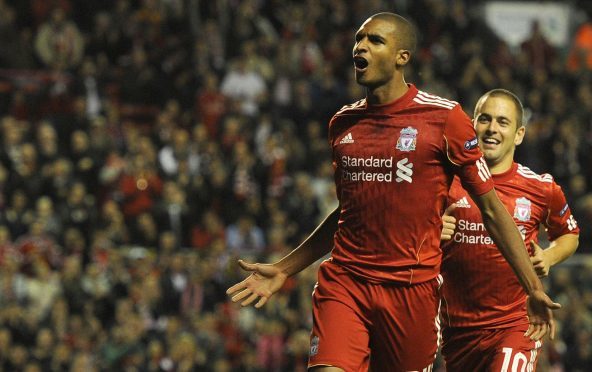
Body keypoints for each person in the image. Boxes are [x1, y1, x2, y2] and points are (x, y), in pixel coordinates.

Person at [227, 12, 559, 371]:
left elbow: (493, 211)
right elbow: (347, 212)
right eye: (359, 39)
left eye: (375, 40)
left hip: (411, 291)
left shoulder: (444, 119)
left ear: (403, 57)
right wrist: (285, 268)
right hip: (347, 282)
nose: (361, 46)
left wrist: (533, 288)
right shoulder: (343, 124)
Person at [439, 89, 579, 371]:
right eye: (485, 119)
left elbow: (569, 234)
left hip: (516, 324)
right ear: (472, 125)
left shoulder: (541, 187)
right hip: (458, 331)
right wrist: (432, 228)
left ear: (519, 134)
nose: (492, 129)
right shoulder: (443, 181)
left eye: (503, 122)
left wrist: (550, 257)